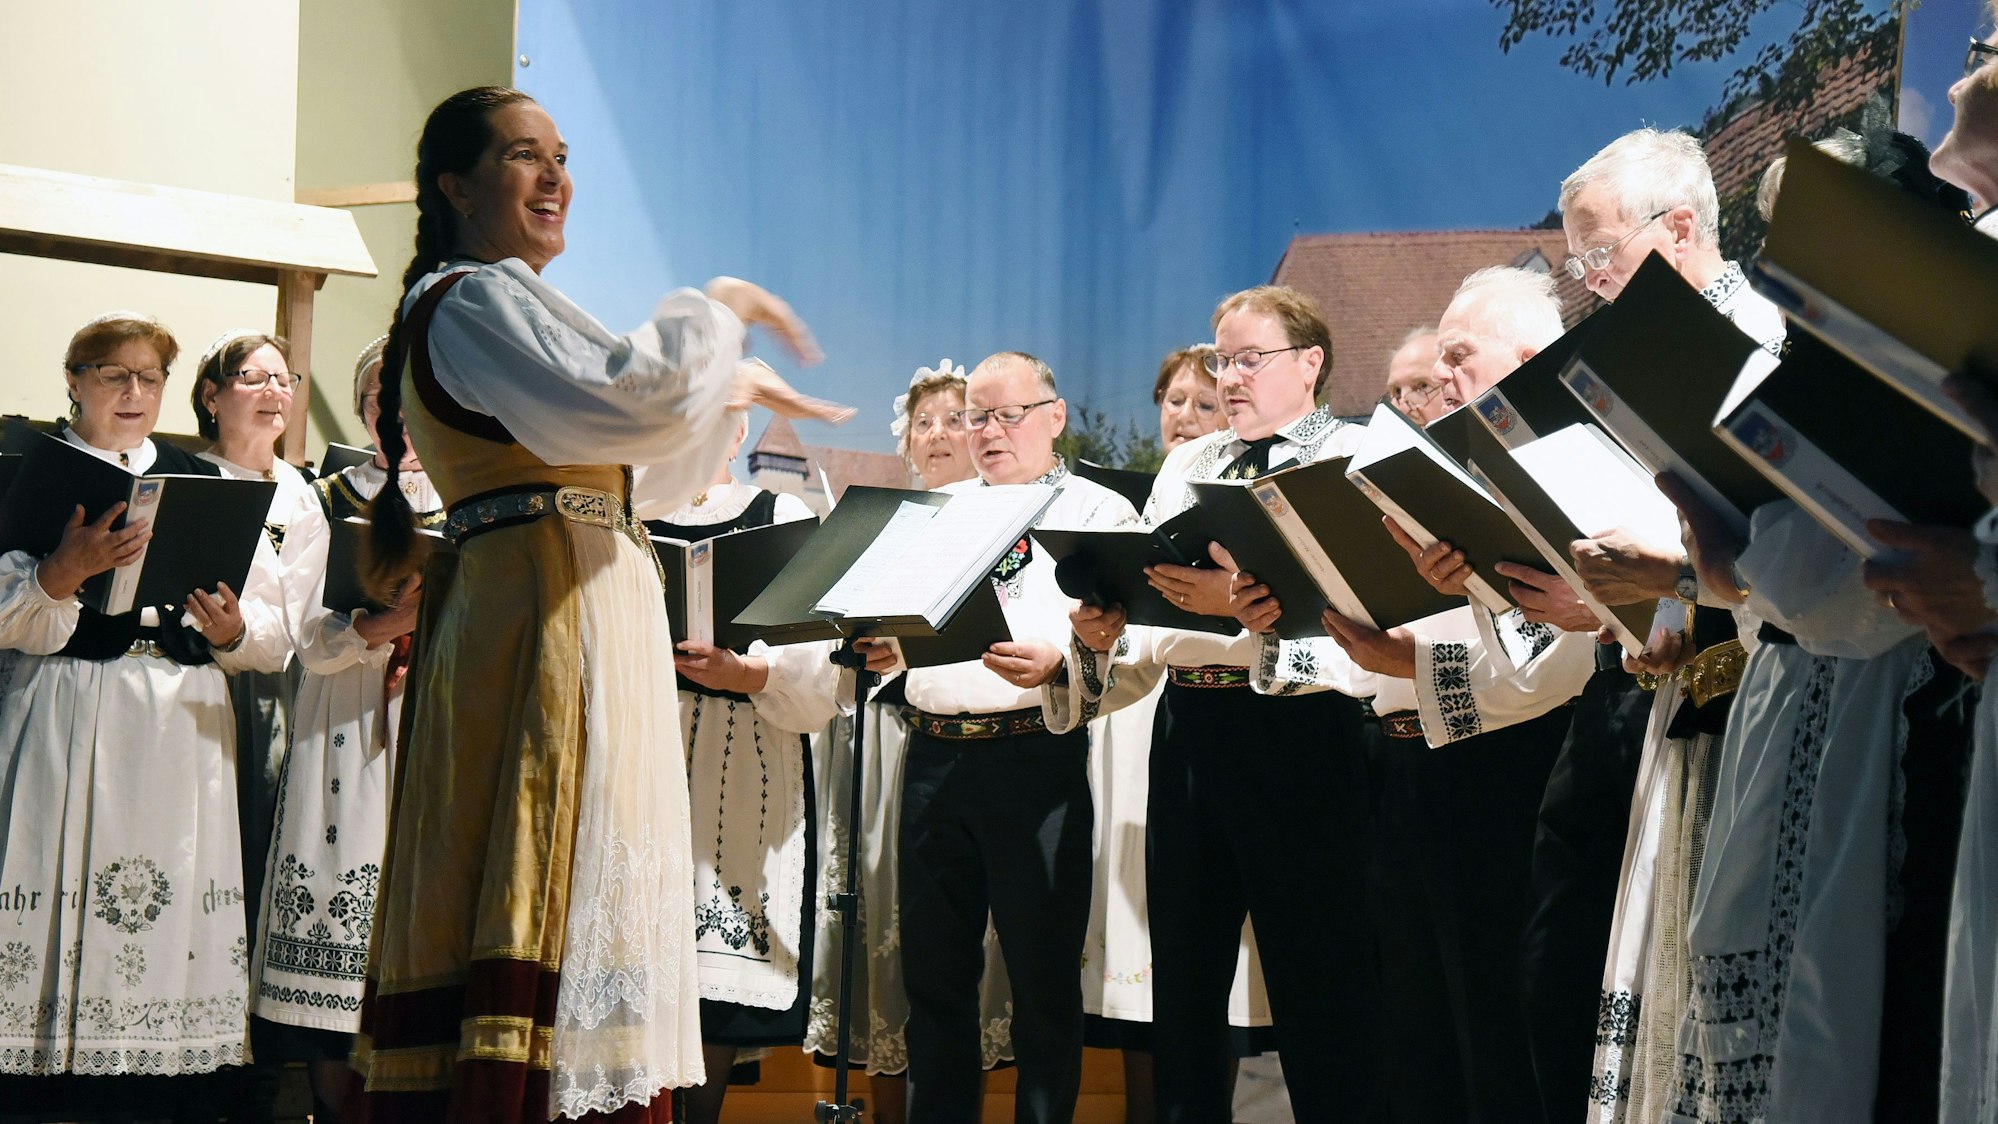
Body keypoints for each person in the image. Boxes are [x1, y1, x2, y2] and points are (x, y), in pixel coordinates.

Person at [348, 85, 840, 1123]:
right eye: (526, 156)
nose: (556, 175)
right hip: (539, 621)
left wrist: (724, 394)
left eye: (563, 155)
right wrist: (719, 308)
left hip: (578, 600)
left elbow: (634, 476)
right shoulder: (472, 298)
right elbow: (627, 396)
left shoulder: (511, 300)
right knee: (543, 868)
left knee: (595, 882)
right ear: (457, 184)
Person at [1231, 268, 1596, 1122]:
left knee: (1500, 1033)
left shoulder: (1566, 463)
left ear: (1530, 357)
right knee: (1418, 1031)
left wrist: (1427, 646)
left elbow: (1559, 666)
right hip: (1410, 767)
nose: (1441, 378)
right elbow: (1399, 644)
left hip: (1517, 773)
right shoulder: (1437, 467)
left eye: (1458, 359)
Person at [1055, 287, 1382, 1123]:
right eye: (1220, 359)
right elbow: (1161, 610)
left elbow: (1369, 618)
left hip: (1302, 733)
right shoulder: (1190, 465)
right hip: (1190, 727)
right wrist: (1112, 621)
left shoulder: (1351, 455)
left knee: (1320, 979)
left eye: (1248, 359)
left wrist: (1243, 611)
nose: (1229, 377)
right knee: (1188, 986)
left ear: (1309, 363)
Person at [0, 311, 292, 1116]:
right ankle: (49, 1077)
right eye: (112, 375)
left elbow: (272, 637)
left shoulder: (211, 483)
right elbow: (7, 616)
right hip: (70, 704)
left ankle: (165, 1073)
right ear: (73, 379)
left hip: (182, 717)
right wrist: (61, 575)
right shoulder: (32, 470)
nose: (134, 392)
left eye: (149, 378)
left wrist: (233, 629)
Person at [854, 350, 1137, 1124]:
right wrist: (886, 650)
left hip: (1033, 757)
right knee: (934, 983)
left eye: (1005, 414)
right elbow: (900, 638)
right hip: (934, 756)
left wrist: (1063, 662)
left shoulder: (1098, 512)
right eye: (975, 416)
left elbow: (1131, 641)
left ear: (1054, 416)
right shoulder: (937, 515)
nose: (985, 431)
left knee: (1043, 984)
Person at [802, 360, 1016, 1123]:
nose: (936, 435)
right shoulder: (881, 527)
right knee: (881, 932)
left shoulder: (996, 528)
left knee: (963, 947)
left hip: (961, 742)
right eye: (922, 423)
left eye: (954, 420)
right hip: (877, 740)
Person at [1081, 344, 1276, 1124]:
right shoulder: (1163, 487)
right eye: (1178, 401)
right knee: (1176, 964)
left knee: (1283, 961)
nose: (1193, 415)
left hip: (1274, 708)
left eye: (1211, 398)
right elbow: (1139, 650)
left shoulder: (1283, 471)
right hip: (1166, 713)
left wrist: (1228, 599)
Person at [636, 411, 842, 1124]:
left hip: (743, 749)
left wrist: (749, 675)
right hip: (648, 745)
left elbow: (816, 663)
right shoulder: (633, 515)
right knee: (641, 966)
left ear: (736, 432)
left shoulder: (778, 514)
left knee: (715, 981)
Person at [191, 330, 316, 987]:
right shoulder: (182, 476)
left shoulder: (298, 497)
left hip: (265, 699)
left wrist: (242, 632)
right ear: (211, 395)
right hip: (183, 690)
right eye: (253, 378)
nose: (275, 392)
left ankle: (251, 1054)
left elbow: (302, 615)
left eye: (284, 380)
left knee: (254, 861)